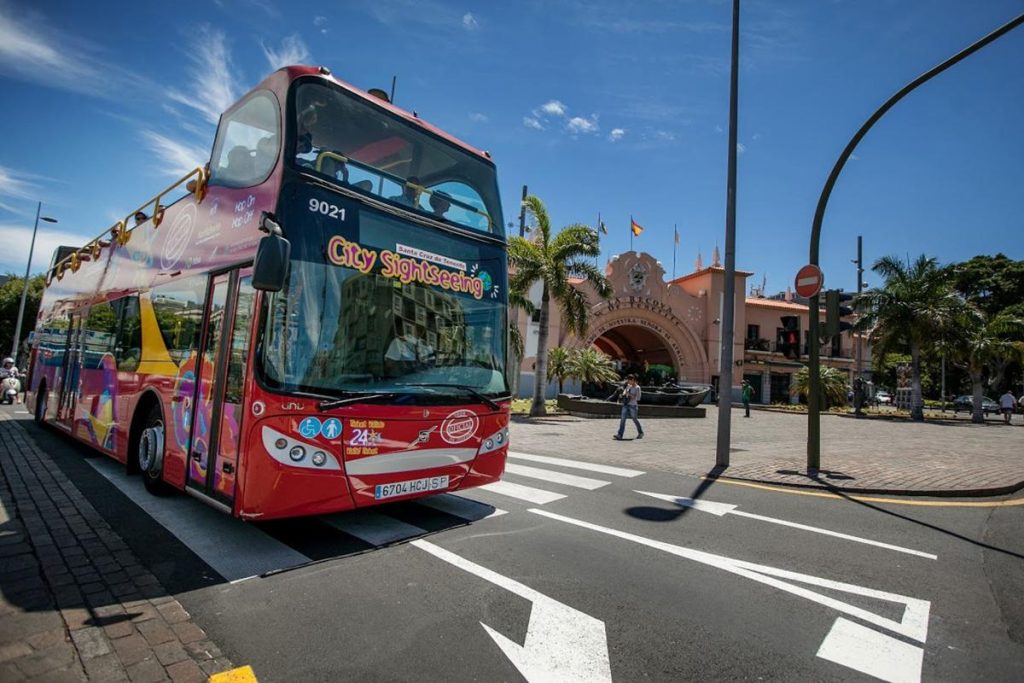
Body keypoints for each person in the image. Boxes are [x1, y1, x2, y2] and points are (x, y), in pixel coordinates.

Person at [613, 374, 643, 440]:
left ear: (633, 380)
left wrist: (630, 395)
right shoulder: (628, 386)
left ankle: (640, 432)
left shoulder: (637, 388)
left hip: (633, 406)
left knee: (634, 419)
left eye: (630, 381)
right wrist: (623, 394)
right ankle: (619, 435)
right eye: (628, 381)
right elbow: (624, 392)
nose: (628, 382)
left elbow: (638, 398)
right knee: (622, 420)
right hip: (626, 404)